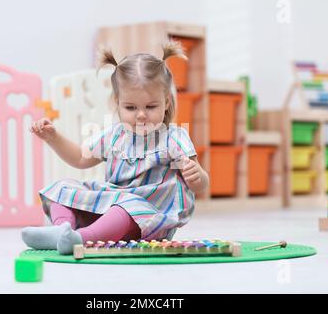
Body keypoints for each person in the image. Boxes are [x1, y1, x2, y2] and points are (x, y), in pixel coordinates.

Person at [22, 41, 210, 254]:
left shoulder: (174, 138)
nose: (141, 114)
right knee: (62, 188)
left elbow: (200, 185)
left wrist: (198, 176)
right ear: (118, 103)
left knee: (125, 208)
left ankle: (80, 238)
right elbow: (80, 159)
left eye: (151, 106)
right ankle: (60, 231)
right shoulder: (114, 136)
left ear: (166, 102)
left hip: (148, 218)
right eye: (130, 107)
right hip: (112, 206)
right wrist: (53, 137)